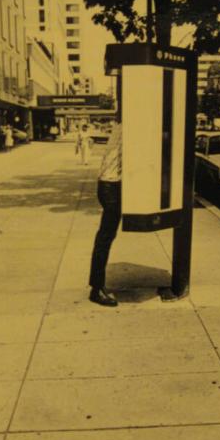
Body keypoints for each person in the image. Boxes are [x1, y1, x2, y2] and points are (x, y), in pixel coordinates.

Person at [88, 121, 122, 307]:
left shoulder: (120, 125)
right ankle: (96, 288)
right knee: (105, 237)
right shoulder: (129, 125)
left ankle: (97, 285)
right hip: (112, 185)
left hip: (109, 184)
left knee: (106, 236)